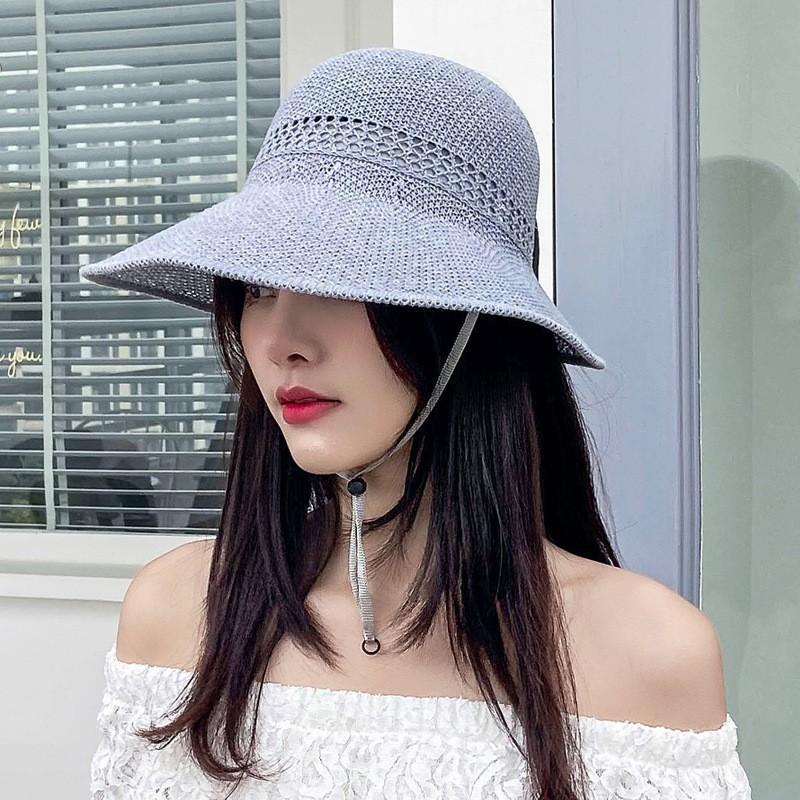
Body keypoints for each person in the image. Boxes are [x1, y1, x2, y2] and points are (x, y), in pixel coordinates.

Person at [82, 47, 752, 799]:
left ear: (468, 322)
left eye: (340, 277)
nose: (281, 341)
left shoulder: (647, 653)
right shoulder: (178, 610)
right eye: (258, 288)